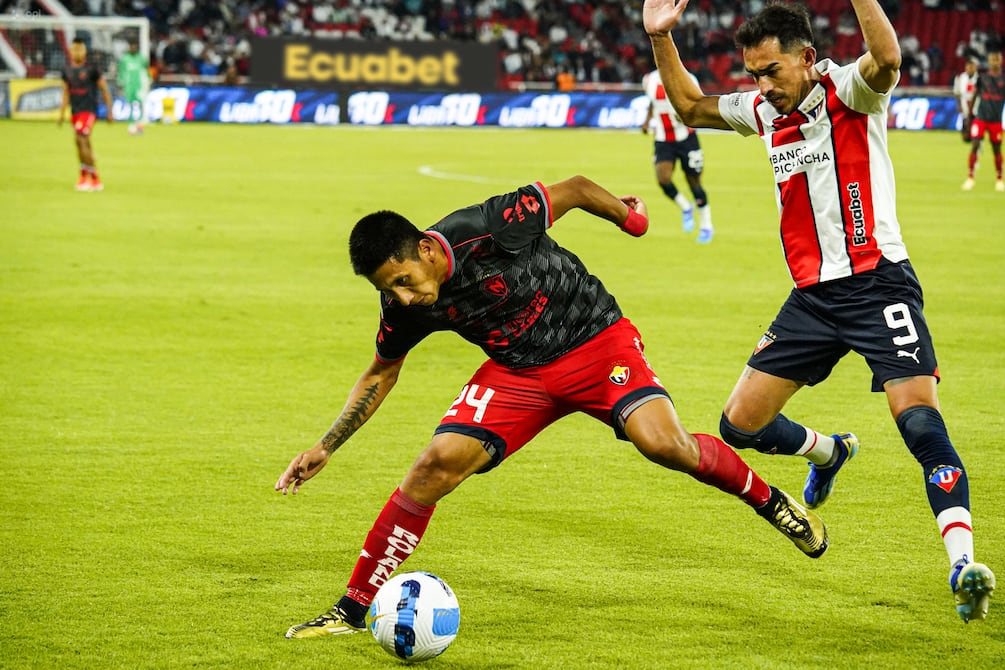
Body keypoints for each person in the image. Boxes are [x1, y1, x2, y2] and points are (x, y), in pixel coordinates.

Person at [276, 175, 828, 638]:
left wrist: (627, 218)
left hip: (596, 342)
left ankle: (771, 501)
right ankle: (351, 610)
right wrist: (325, 445)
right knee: (431, 468)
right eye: (388, 290)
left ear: (424, 248)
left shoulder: (490, 225)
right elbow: (382, 370)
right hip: (519, 374)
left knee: (664, 444)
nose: (401, 297)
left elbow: (576, 189)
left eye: (402, 281)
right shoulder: (406, 305)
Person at [642, 0, 995, 622]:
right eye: (754, 74)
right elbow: (692, 108)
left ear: (807, 58)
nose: (763, 86)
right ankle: (829, 452)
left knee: (919, 424)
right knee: (739, 427)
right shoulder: (762, 110)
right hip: (811, 299)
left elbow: (886, 58)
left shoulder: (851, 92)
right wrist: (660, 37)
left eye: (772, 71)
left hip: (879, 285)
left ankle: (962, 563)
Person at [641, 68, 714, 243]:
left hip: (686, 138)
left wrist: (686, 116)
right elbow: (652, 103)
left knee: (694, 183)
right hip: (663, 138)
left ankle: (706, 225)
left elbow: (697, 104)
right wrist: (646, 121)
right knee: (663, 179)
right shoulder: (649, 79)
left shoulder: (688, 78)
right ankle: (685, 207)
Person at [59, 37, 113, 192]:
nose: (76, 52)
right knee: (80, 142)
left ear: (84, 51)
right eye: (74, 49)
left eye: (79, 49)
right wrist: (62, 114)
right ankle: (84, 175)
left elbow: (104, 89)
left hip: (88, 111)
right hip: (75, 111)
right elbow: (65, 93)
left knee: (81, 140)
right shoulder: (67, 70)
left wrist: (109, 111)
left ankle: (95, 179)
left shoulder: (92, 69)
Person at [962, 48, 1004, 192]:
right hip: (981, 118)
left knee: (996, 149)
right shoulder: (982, 78)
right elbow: (975, 95)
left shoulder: (1003, 79)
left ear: (1001, 61)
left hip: (996, 120)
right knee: (975, 144)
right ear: (989, 61)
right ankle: (970, 177)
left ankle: (999, 179)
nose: (995, 62)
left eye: (997, 59)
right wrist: (969, 116)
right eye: (992, 59)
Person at [118, 40, 150, 135]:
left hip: (139, 85)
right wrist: (121, 85)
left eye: (135, 46)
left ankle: (139, 126)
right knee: (130, 105)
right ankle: (131, 125)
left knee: (140, 104)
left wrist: (148, 81)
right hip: (129, 86)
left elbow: (146, 70)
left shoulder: (141, 58)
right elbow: (121, 72)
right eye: (132, 46)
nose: (133, 48)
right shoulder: (125, 59)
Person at [953, 57, 979, 144]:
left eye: (972, 66)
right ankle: (966, 136)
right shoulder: (960, 78)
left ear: (976, 67)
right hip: (965, 105)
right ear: (966, 67)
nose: (970, 68)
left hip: (976, 106)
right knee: (965, 122)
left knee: (975, 123)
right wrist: (959, 104)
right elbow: (957, 92)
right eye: (969, 66)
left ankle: (975, 137)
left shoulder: (979, 79)